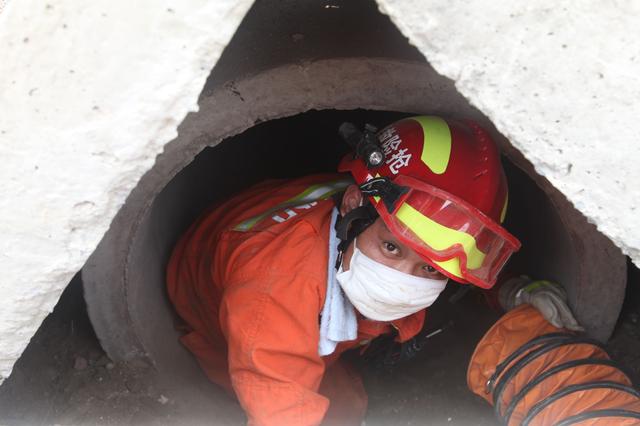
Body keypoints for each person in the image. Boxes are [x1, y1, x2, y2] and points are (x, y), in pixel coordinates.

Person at [166, 115, 578, 425]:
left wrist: (512, 290)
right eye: (392, 247)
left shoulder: (382, 205)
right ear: (352, 208)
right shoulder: (273, 291)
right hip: (222, 314)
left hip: (295, 264)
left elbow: (452, 251)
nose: (403, 281)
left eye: (432, 269)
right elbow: (280, 406)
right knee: (339, 412)